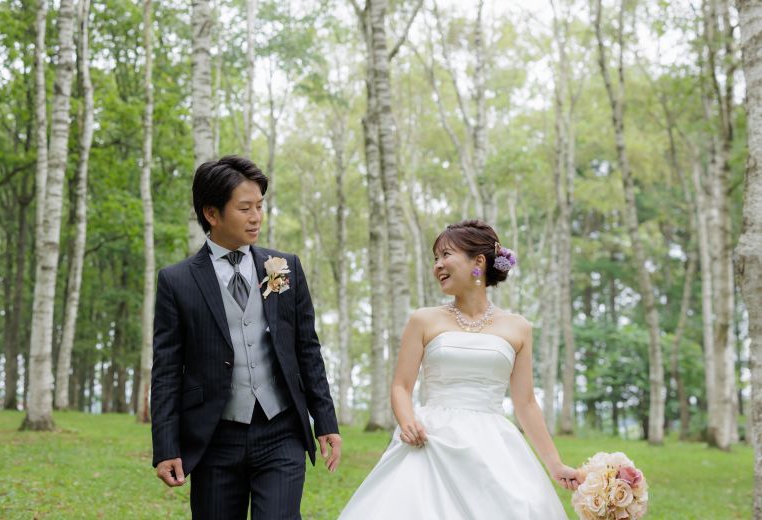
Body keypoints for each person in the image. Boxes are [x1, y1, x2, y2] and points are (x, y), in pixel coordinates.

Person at [339, 220, 581, 519]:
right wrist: (407, 420)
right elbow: (401, 385)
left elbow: (526, 403)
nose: (438, 265)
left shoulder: (518, 327)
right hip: (432, 437)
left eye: (446, 255)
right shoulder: (423, 320)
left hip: (493, 441)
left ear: (478, 262)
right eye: (435, 258)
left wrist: (555, 465)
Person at [150, 155, 341, 519]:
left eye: (260, 206)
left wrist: (326, 421)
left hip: (281, 431)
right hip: (214, 438)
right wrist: (165, 446)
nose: (256, 217)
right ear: (212, 213)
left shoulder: (283, 268)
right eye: (245, 208)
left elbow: (307, 349)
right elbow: (167, 371)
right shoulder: (177, 281)